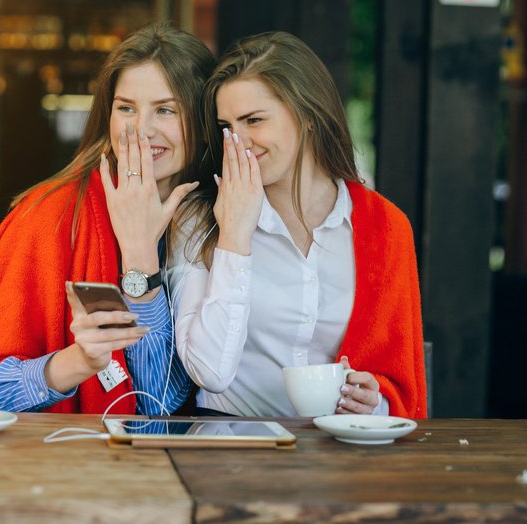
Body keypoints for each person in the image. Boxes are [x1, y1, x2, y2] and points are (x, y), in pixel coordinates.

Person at [0, 22, 215, 415]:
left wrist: (138, 253)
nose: (140, 130)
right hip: (56, 459)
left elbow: (161, 400)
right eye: (126, 108)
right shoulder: (54, 216)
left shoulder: (218, 222)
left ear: (202, 123)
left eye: (165, 110)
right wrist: (73, 363)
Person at [168, 31, 427, 419]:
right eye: (227, 127)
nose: (237, 142)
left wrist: (374, 402)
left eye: (254, 120)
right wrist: (235, 236)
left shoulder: (384, 227)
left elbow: (398, 387)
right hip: (229, 445)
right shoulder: (200, 216)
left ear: (307, 116)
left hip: (337, 452)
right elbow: (209, 372)